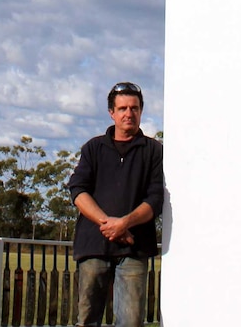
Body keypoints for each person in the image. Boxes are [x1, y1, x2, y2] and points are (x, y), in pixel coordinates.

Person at [67, 82, 164, 327]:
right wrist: (108, 223)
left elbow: (155, 199)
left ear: (141, 111)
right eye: (122, 108)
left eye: (134, 108)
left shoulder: (154, 151)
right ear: (112, 112)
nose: (128, 114)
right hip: (93, 247)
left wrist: (125, 223)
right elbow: (78, 190)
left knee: (131, 322)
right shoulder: (93, 148)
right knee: (87, 319)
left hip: (134, 248)